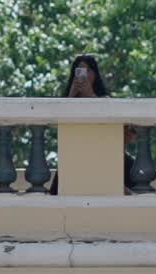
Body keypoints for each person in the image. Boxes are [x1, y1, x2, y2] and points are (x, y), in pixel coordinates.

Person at [50, 54, 134, 194]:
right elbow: (61, 125)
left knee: (128, 164)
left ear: (95, 74)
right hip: (76, 153)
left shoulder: (104, 99)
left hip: (104, 152)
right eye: (79, 71)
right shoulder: (67, 102)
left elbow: (111, 119)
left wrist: (90, 96)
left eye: (88, 71)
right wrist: (71, 96)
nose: (84, 75)